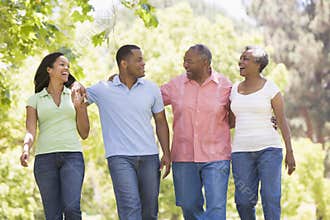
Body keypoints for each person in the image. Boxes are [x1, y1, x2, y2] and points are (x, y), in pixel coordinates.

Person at [72, 44, 171, 220]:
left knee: (149, 211)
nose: (143, 63)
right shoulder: (104, 89)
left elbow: (161, 121)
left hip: (149, 157)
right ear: (124, 64)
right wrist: (77, 85)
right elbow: (81, 97)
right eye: (138, 59)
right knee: (130, 206)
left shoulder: (151, 88)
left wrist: (167, 153)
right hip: (120, 157)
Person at [161, 44, 232, 219]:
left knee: (216, 209)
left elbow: (239, 112)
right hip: (184, 157)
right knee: (188, 206)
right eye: (184, 61)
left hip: (216, 157)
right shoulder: (176, 85)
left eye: (189, 61)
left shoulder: (225, 86)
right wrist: (123, 82)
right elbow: (149, 99)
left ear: (205, 63)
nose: (185, 65)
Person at [20, 52, 90, 220]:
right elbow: (31, 130)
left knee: (72, 208)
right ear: (49, 69)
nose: (66, 68)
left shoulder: (76, 94)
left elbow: (85, 133)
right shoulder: (35, 99)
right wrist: (26, 149)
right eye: (62, 64)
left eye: (68, 66)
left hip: (72, 156)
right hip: (45, 160)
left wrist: (79, 107)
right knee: (53, 215)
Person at [229, 46, 296, 220]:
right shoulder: (234, 89)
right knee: (243, 201)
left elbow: (282, 121)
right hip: (240, 152)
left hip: (269, 150)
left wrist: (290, 151)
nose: (240, 62)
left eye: (246, 59)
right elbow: (230, 121)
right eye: (241, 58)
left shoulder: (271, 89)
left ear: (258, 65)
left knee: (270, 197)